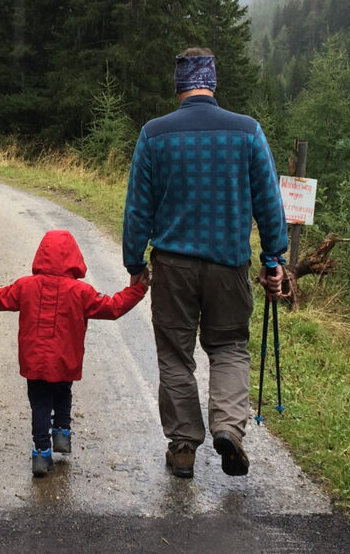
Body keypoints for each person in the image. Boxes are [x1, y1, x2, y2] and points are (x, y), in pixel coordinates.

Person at [122, 47, 287, 479]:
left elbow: (138, 208)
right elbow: (269, 203)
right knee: (229, 346)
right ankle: (228, 428)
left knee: (176, 355)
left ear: (178, 85)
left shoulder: (154, 135)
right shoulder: (248, 131)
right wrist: (274, 258)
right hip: (229, 264)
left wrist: (134, 261)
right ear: (212, 82)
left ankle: (183, 449)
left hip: (173, 267)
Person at [0, 229, 147, 477]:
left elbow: (1, 297)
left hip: (34, 361)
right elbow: (112, 307)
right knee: (64, 391)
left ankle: (41, 452)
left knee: (40, 403)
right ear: (74, 257)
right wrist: (138, 290)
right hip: (66, 359)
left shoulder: (25, 286)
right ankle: (62, 433)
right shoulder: (81, 292)